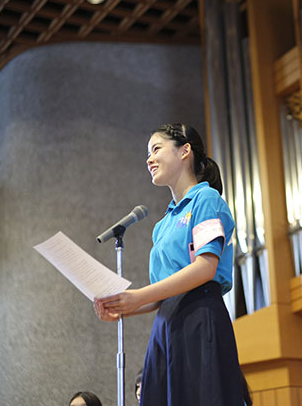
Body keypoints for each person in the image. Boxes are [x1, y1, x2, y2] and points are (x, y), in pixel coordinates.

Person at [94, 123, 245, 406]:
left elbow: (205, 267)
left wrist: (138, 296)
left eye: (156, 149)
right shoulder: (162, 226)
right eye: (147, 154)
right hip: (166, 325)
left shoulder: (205, 198)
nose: (148, 159)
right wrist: (124, 307)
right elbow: (161, 294)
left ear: (185, 151)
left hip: (200, 317)